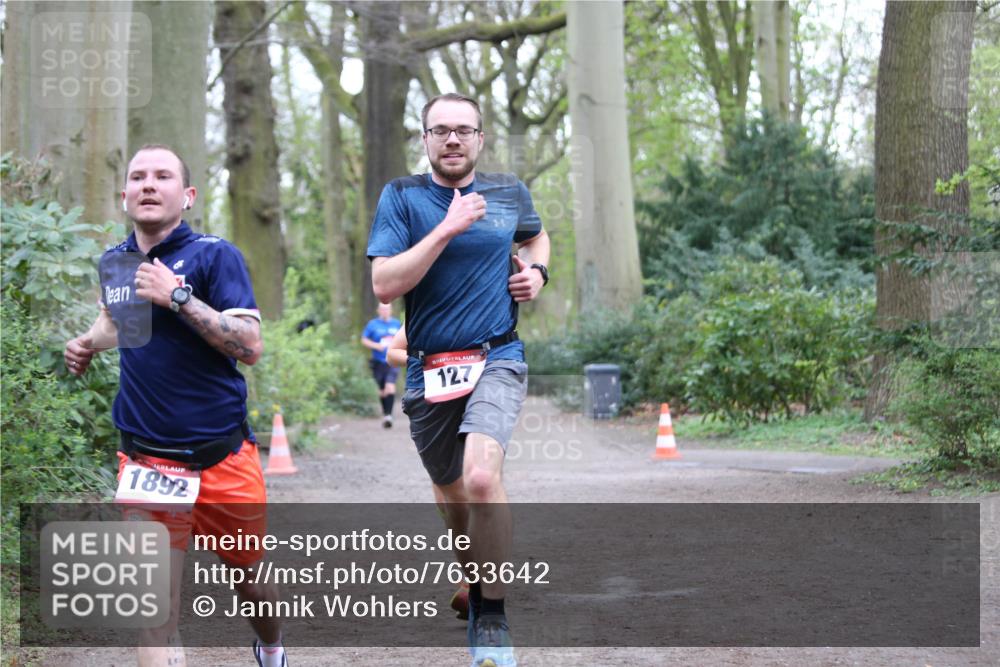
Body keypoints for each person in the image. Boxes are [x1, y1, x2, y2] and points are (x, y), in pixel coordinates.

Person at [64, 145, 287, 667]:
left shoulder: (215, 255)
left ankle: (272, 648)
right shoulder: (115, 262)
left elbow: (249, 346)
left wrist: (179, 297)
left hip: (222, 457)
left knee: (250, 579)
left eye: (162, 176)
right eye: (138, 177)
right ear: (124, 196)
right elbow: (119, 325)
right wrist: (88, 342)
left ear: (186, 196)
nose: (148, 184)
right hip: (146, 459)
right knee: (155, 611)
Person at [367, 93, 550, 667]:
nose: (452, 140)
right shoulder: (401, 197)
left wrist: (538, 272)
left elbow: (535, 237)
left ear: (480, 139)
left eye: (463, 131)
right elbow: (385, 285)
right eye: (440, 131)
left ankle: (491, 619)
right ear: (423, 139)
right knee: (451, 497)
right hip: (427, 366)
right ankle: (474, 581)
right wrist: (445, 229)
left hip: (497, 355)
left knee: (478, 477)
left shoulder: (507, 192)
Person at [361, 302, 402, 427]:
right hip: (378, 362)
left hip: (392, 361)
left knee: (390, 386)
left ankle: (389, 416)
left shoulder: (396, 324)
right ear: (378, 310)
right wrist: (376, 346)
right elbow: (364, 340)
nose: (385, 311)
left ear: (391, 310)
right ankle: (386, 414)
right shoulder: (372, 325)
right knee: (382, 391)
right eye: (383, 309)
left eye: (387, 309)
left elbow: (404, 339)